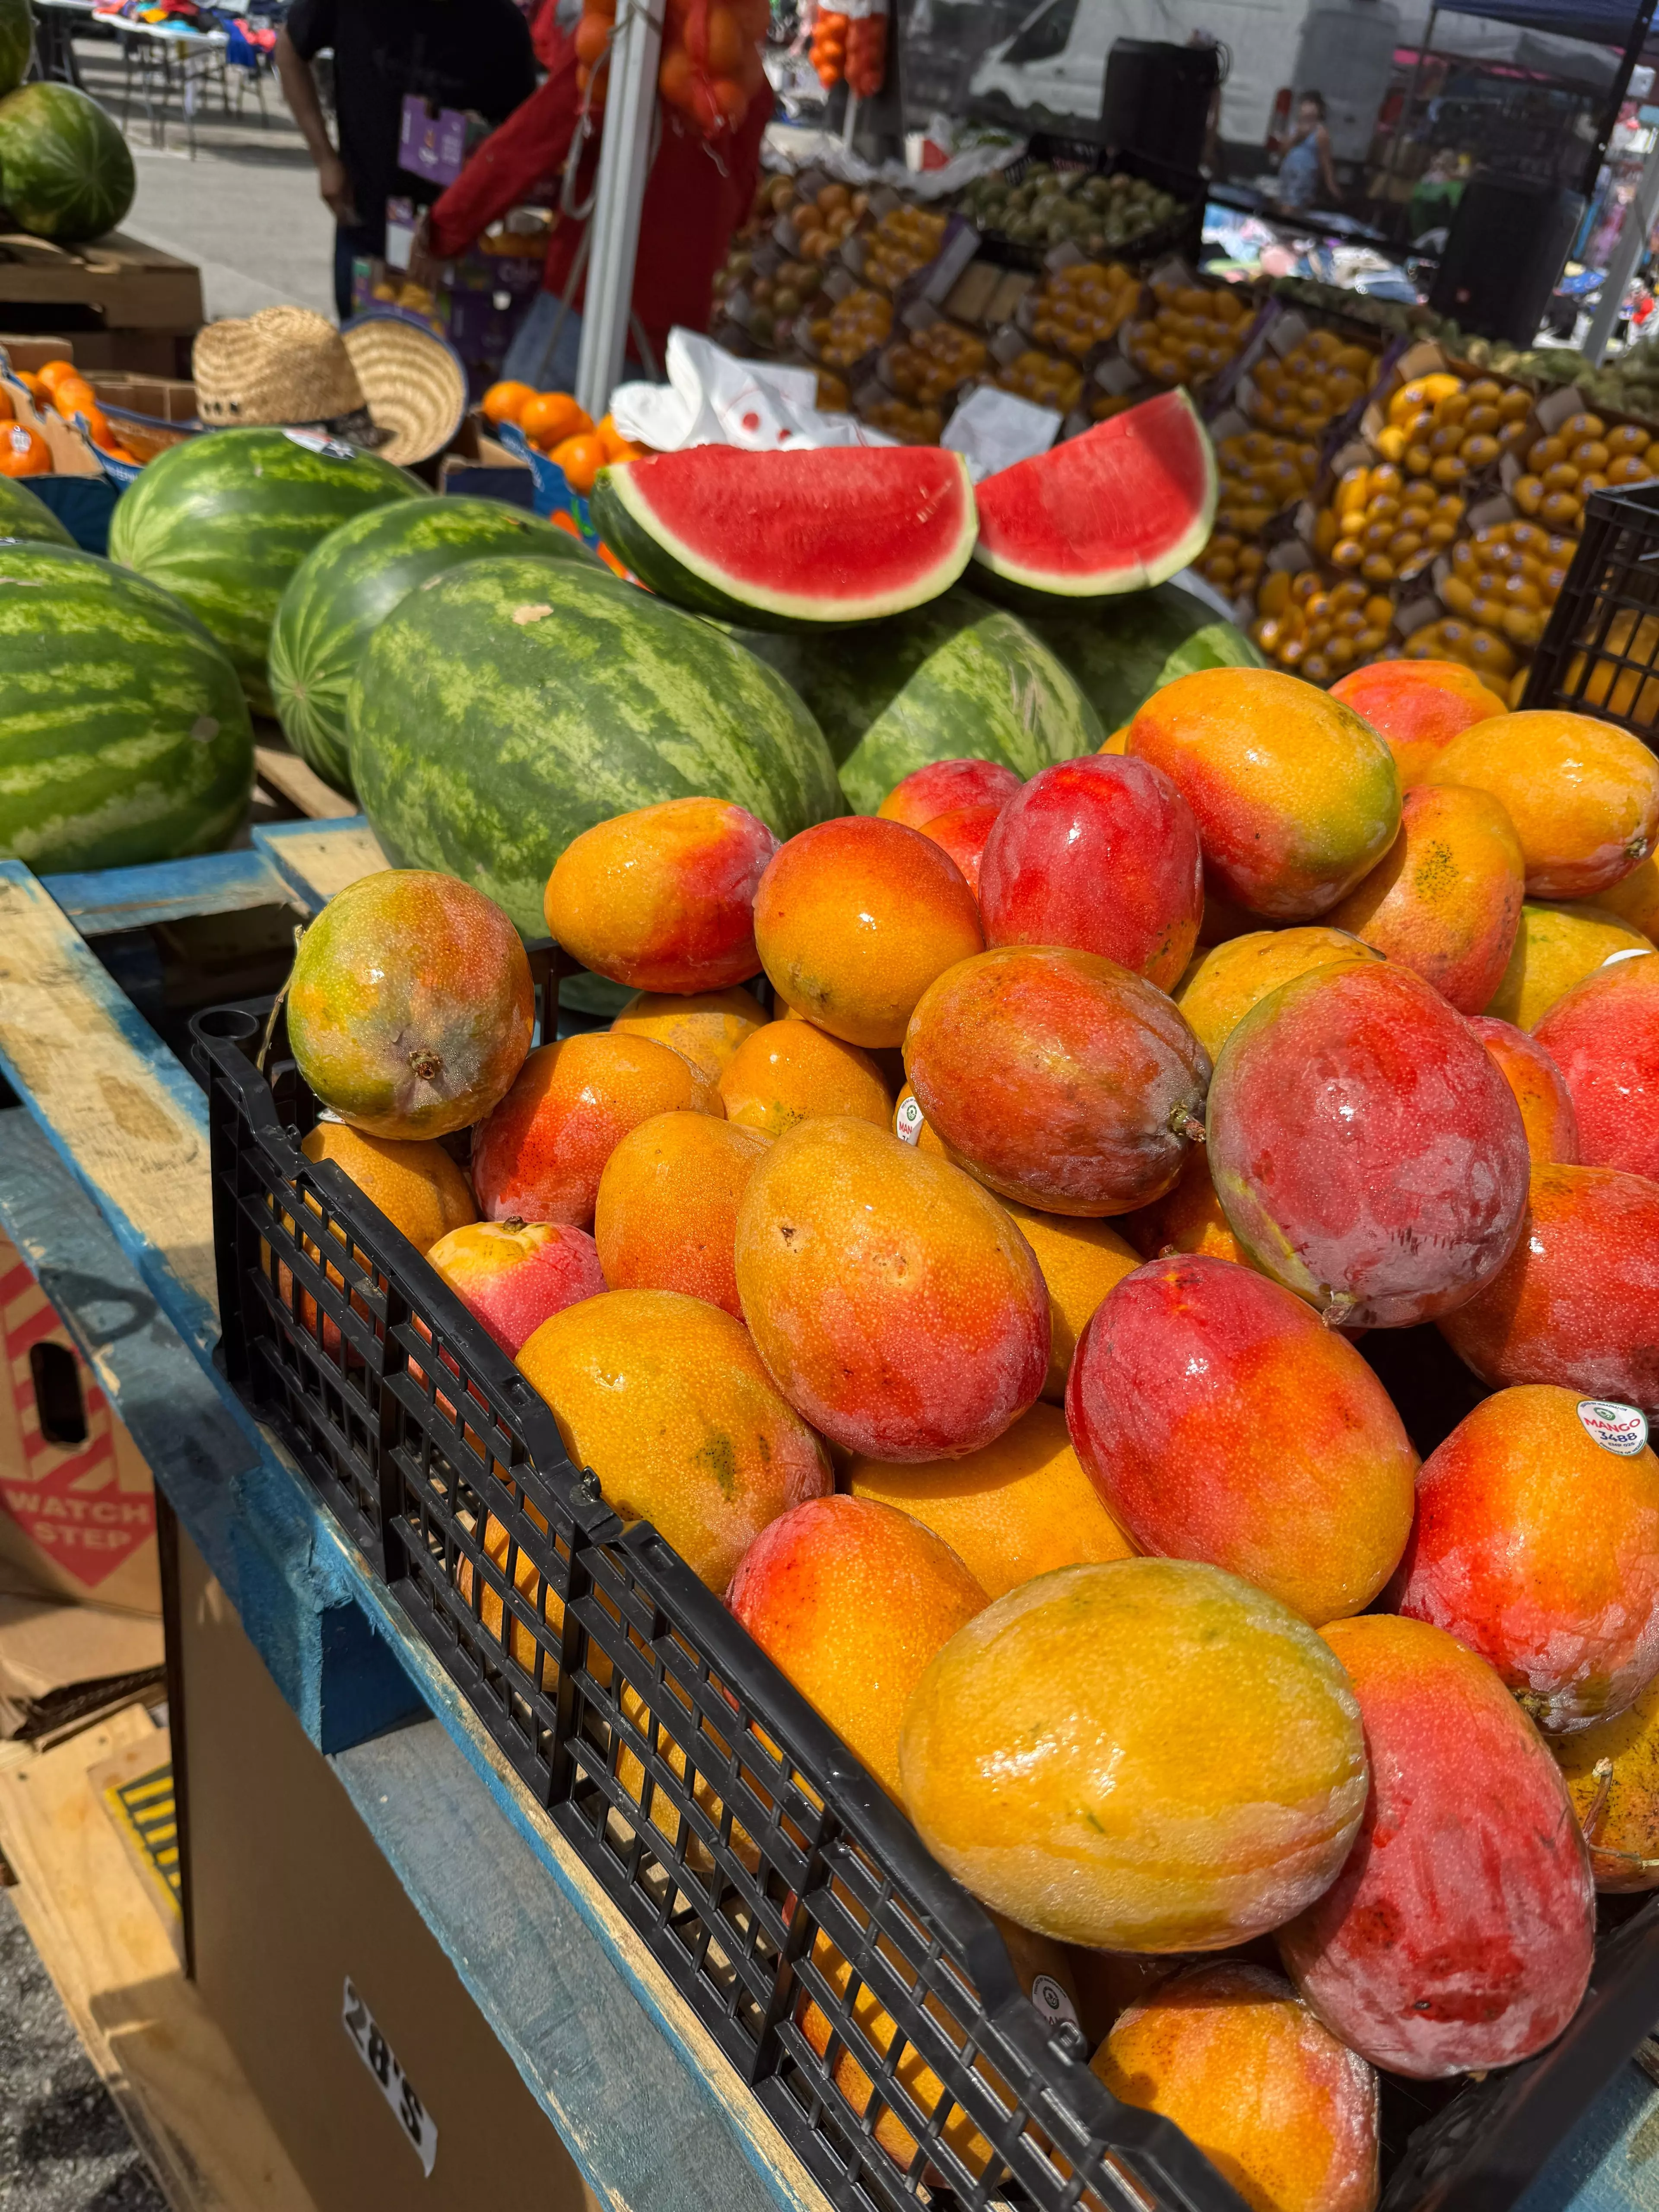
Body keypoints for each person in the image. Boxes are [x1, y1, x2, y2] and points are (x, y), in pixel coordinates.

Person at [412, 0, 771, 393]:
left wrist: (444, 229)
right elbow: (742, 206)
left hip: (593, 305)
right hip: (684, 331)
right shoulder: (743, 78)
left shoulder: (628, 40)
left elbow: (529, 143)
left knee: (521, 437)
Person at [276, 0, 538, 321]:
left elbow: (525, 132)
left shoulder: (499, 22)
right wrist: (325, 159)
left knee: (446, 366)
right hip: (364, 223)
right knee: (360, 354)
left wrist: (479, 139)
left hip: (455, 252)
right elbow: (289, 50)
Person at [1276, 90, 1339, 213]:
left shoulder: (1320, 133)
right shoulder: (1294, 128)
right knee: (1281, 205)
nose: (1308, 109)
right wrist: (1297, 136)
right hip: (1288, 175)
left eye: (1312, 105)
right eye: (1305, 104)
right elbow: (1283, 150)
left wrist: (1331, 185)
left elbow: (1325, 161)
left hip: (1304, 178)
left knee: (1291, 208)